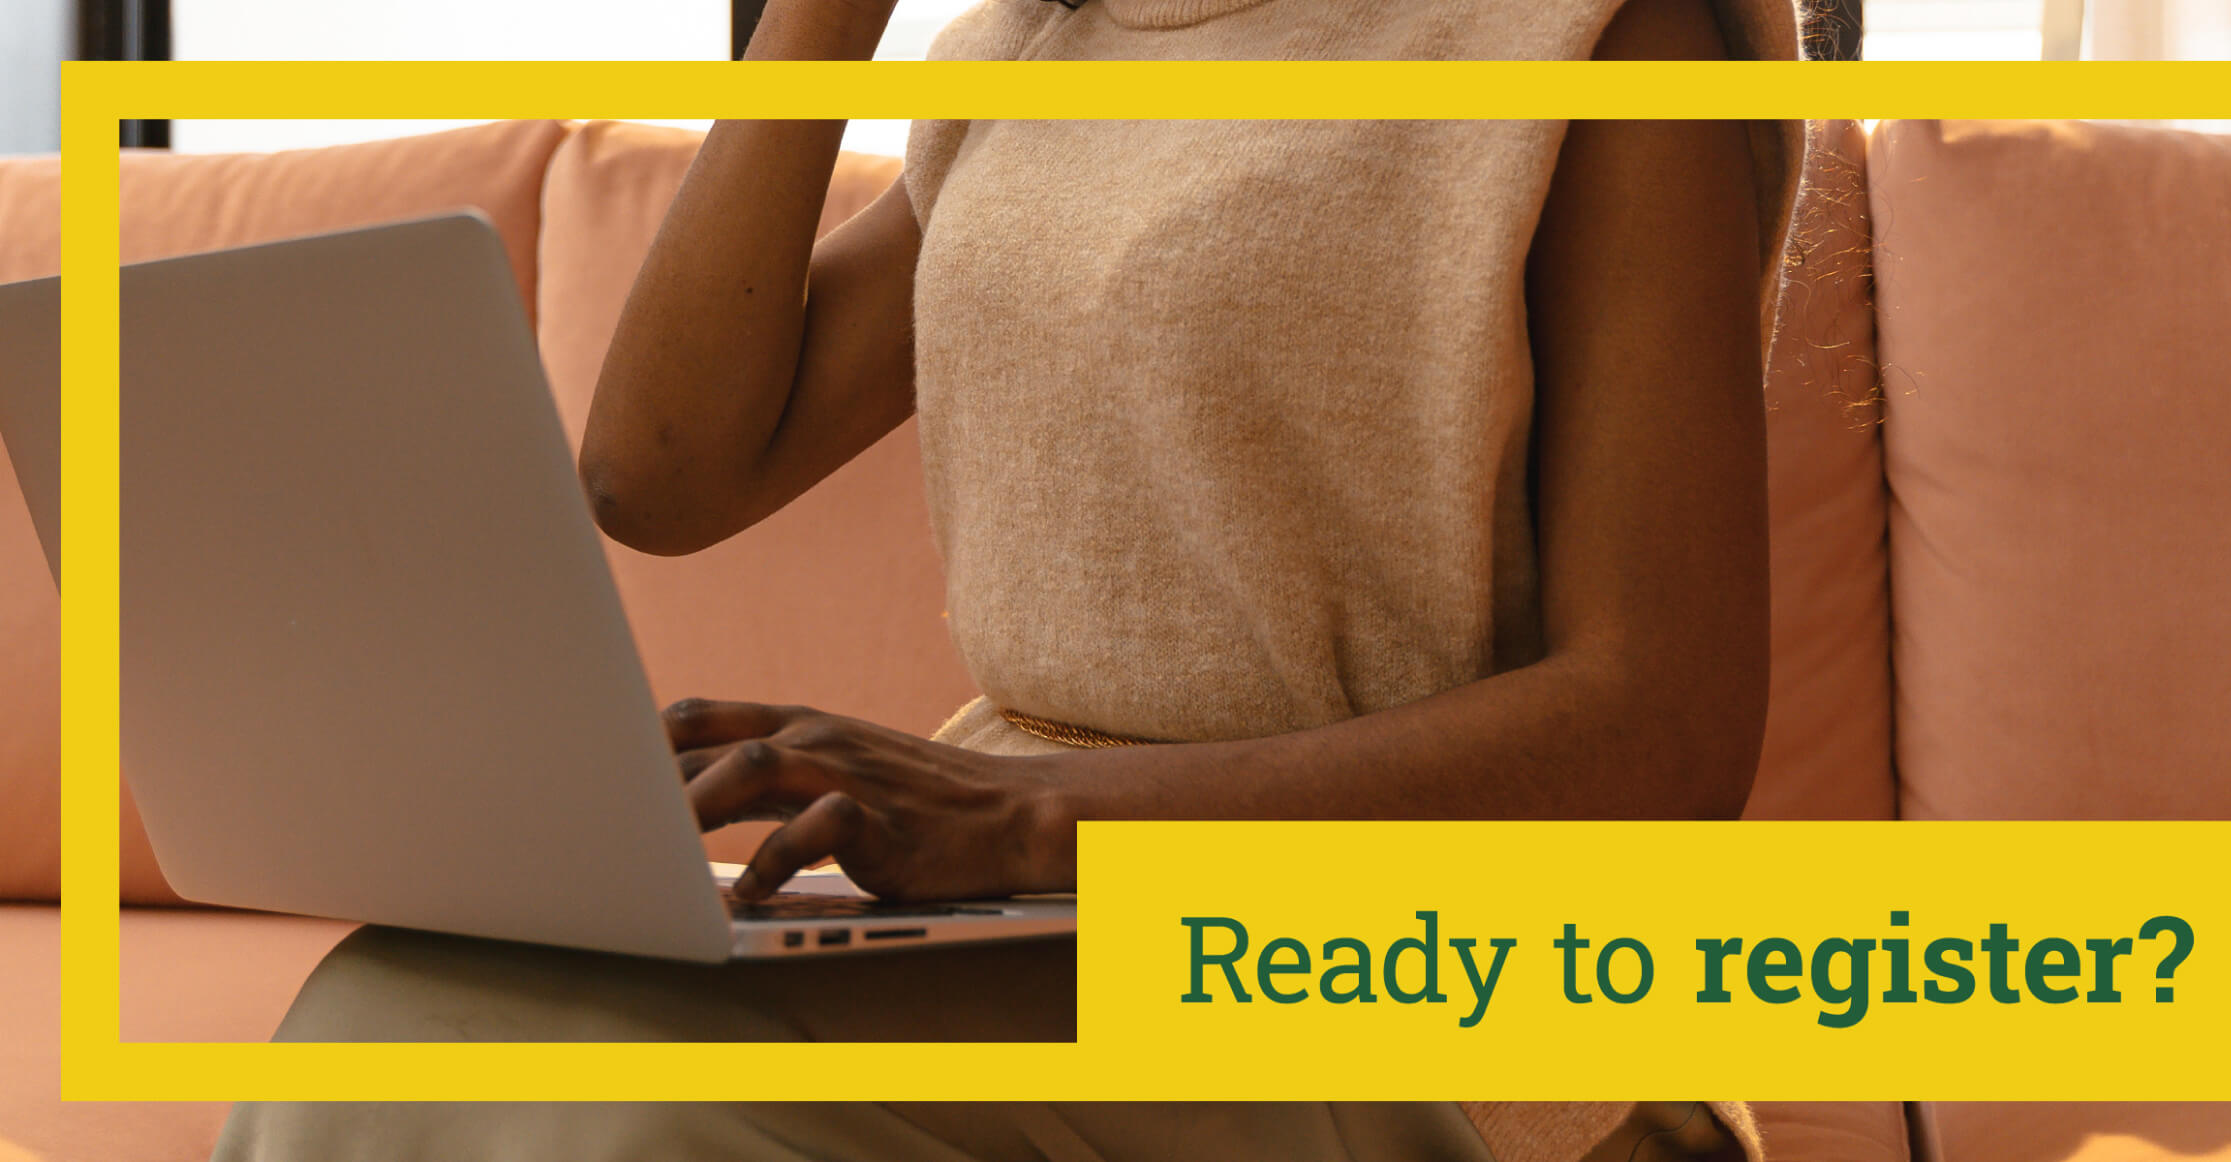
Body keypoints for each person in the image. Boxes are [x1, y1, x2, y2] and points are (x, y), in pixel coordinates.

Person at [216, 0, 1811, 1157]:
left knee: (624, 1112)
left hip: (1402, 962)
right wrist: (820, 27)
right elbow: (658, 470)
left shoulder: (1599, 43)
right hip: (1021, 900)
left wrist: (1044, 823)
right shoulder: (1048, 57)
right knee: (399, 998)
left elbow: (1662, 726)